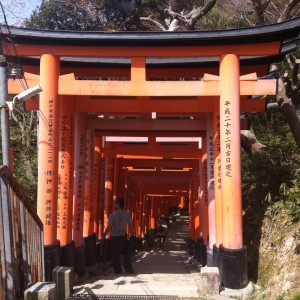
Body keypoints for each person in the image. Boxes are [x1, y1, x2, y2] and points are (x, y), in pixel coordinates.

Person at [103, 197, 134, 274]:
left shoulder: (112, 215)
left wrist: (103, 235)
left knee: (115, 254)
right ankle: (128, 269)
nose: (114, 204)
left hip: (114, 237)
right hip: (123, 236)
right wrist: (132, 234)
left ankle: (118, 270)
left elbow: (109, 227)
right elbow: (130, 225)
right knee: (126, 253)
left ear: (118, 205)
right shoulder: (127, 214)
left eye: (115, 203)